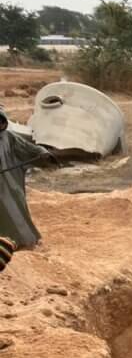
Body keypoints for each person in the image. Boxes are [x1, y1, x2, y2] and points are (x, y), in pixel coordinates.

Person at [0, 108, 58, 273]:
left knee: (16, 212)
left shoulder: (9, 138)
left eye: (1, 121)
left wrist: (43, 153)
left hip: (10, 186)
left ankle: (23, 241)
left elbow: (29, 148)